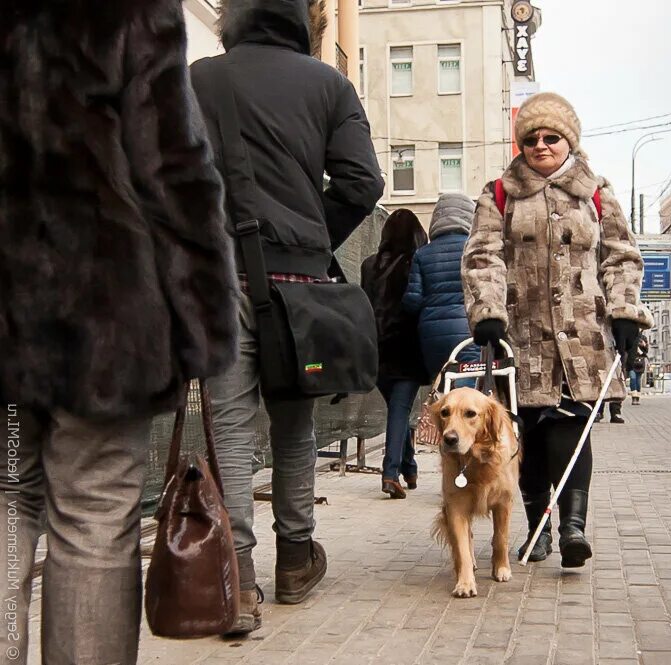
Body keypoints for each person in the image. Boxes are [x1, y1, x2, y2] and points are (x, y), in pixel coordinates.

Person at [0, 1, 240, 662]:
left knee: (7, 496)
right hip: (99, 308)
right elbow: (172, 166)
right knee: (94, 513)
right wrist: (203, 316)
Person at [189, 0, 384, 635]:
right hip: (300, 283)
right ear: (304, 20)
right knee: (295, 421)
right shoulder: (330, 84)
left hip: (221, 280)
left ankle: (236, 583)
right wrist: (308, 237)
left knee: (231, 429)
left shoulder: (200, 79)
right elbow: (361, 183)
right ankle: (296, 563)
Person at [462, 92, 652, 568]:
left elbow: (621, 255)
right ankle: (536, 527)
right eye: (531, 139)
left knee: (570, 425)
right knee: (524, 435)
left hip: (580, 334)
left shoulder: (596, 193)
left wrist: (625, 311)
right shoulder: (497, 194)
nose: (541, 146)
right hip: (518, 333)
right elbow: (482, 255)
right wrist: (487, 309)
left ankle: (572, 527)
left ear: (569, 140)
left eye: (552, 137)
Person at [362, 210, 430, 500]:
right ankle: (390, 473)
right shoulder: (416, 263)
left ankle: (409, 466)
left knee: (396, 410)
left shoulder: (369, 265)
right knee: (400, 410)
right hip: (406, 349)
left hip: (375, 350)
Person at [403, 194, 481, 387]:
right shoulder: (476, 249)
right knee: (469, 388)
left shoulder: (422, 253)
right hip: (469, 329)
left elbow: (412, 301)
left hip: (432, 334)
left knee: (442, 386)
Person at [630, 335, 650, 405]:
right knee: (633, 379)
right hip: (631, 362)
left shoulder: (643, 338)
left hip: (640, 363)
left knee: (638, 381)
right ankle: (633, 397)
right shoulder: (630, 336)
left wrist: (643, 345)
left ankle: (637, 397)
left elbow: (646, 352)